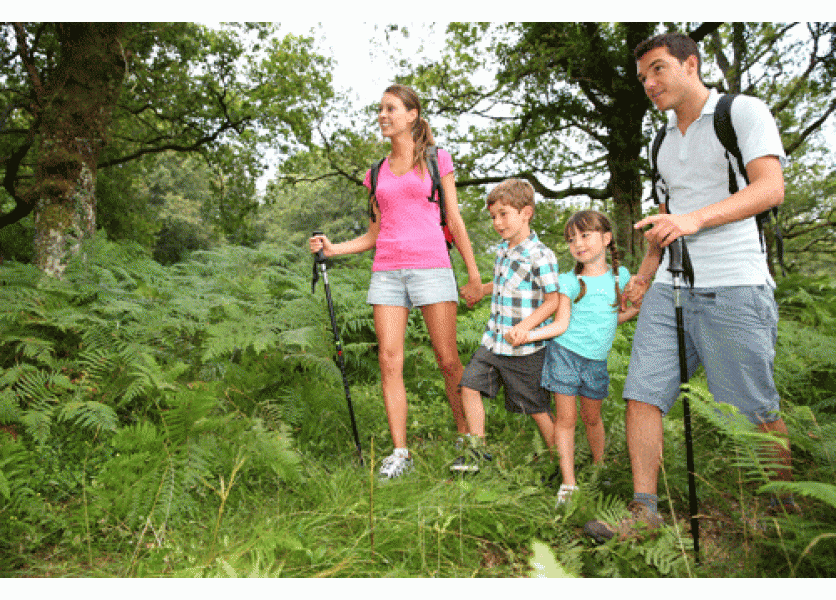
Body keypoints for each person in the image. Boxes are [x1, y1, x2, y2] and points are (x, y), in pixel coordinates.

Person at [584, 32, 793, 542]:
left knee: (753, 409)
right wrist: (642, 276)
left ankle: (786, 515)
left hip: (735, 286)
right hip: (669, 291)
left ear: (690, 64)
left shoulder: (740, 113)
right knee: (642, 394)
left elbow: (770, 189)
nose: (649, 84)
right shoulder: (660, 141)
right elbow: (663, 221)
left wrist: (695, 219)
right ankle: (644, 511)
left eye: (658, 70)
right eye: (643, 77)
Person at [309, 84, 484, 480]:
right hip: (387, 271)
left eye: (391, 109)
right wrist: (332, 248)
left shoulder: (438, 161)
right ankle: (400, 452)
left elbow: (454, 221)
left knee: (448, 361)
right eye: (380, 109)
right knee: (389, 361)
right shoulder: (375, 173)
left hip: (432, 267)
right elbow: (374, 234)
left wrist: (473, 275)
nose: (383, 116)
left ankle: (466, 440)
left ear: (412, 115)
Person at [519, 210, 639, 505]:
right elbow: (560, 325)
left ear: (606, 238)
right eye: (572, 239)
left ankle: (599, 468)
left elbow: (615, 316)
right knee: (566, 420)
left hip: (595, 362)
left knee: (593, 419)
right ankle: (569, 484)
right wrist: (528, 334)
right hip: (564, 356)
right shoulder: (569, 282)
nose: (578, 243)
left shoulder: (620, 277)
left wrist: (636, 309)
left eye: (585, 235)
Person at [450, 178, 561, 473]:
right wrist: (481, 290)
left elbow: (553, 301)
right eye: (493, 217)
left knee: (536, 408)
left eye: (503, 214)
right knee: (469, 387)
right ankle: (476, 452)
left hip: (525, 349)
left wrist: (526, 328)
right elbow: (504, 285)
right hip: (494, 342)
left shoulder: (541, 255)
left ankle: (562, 465)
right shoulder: (502, 251)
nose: (497, 222)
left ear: (526, 213)